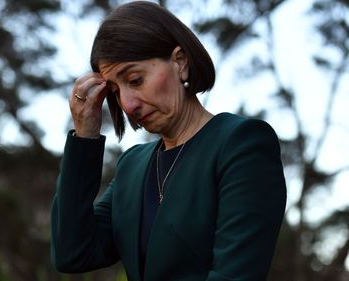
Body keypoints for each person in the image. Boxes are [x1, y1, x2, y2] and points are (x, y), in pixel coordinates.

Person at [50, 1, 287, 281]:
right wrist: (84, 137)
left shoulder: (241, 144)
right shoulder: (132, 166)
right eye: (114, 91)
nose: (127, 105)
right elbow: (73, 252)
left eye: (135, 80)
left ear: (180, 62)